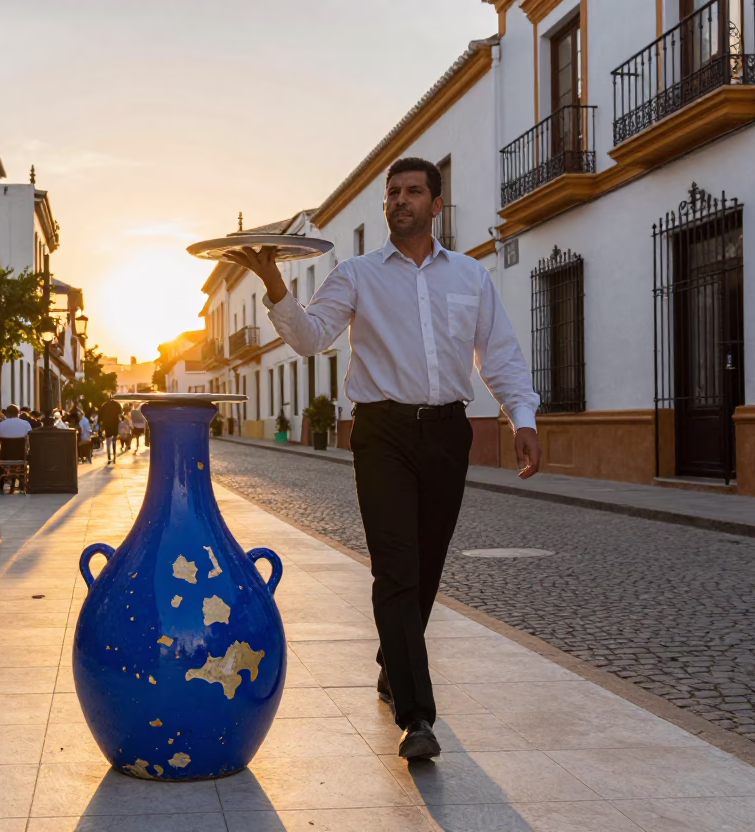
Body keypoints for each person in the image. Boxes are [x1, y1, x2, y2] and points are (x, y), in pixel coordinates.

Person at [225, 156, 542, 761]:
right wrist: (273, 286)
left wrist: (520, 417)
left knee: (425, 564)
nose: (400, 200)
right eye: (392, 193)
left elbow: (497, 354)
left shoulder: (471, 277)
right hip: (381, 433)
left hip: (449, 432)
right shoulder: (356, 274)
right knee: (396, 567)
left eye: (413, 191)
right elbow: (313, 336)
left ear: (436, 204)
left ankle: (390, 662)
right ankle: (417, 716)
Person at [99, 396, 123, 463]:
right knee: (114, 440)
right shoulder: (117, 404)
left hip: (107, 425)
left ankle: (109, 456)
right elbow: (121, 413)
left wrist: (101, 424)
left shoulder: (104, 405)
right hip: (115, 424)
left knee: (108, 441)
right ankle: (114, 455)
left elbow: (100, 415)